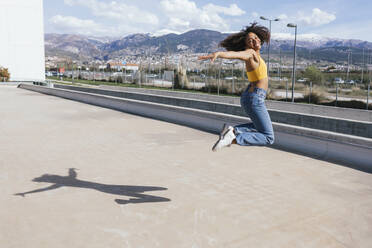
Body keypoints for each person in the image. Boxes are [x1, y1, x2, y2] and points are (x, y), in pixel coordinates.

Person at [198, 22, 275, 151]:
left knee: (259, 127)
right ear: (246, 46)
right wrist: (219, 54)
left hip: (251, 97)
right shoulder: (250, 53)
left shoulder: (256, 55)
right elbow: (235, 54)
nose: (254, 41)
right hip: (254, 98)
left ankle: (233, 130)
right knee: (268, 136)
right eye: (250, 40)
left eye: (256, 38)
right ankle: (233, 138)